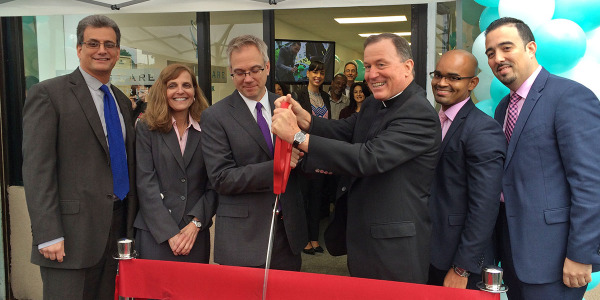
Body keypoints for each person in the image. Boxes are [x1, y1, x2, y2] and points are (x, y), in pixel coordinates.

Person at [272, 33, 441, 283]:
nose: (372, 74)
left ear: (408, 67)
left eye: (381, 64)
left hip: (394, 249)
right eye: (369, 66)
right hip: (364, 237)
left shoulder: (418, 112)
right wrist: (305, 119)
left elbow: (368, 158)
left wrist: (297, 137)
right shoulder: (375, 103)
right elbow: (347, 130)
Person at [22, 15, 137, 299]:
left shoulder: (121, 101)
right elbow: (38, 169)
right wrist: (48, 233)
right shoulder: (49, 94)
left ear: (117, 51)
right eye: (93, 43)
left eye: (109, 44)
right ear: (79, 49)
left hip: (116, 231)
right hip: (69, 237)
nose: (102, 50)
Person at [485, 17, 600, 299]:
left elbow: (590, 182)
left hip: (556, 260)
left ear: (531, 48)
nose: (497, 58)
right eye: (490, 53)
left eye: (506, 47)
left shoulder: (570, 96)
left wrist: (581, 254)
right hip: (513, 255)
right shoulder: (503, 107)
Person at [201, 35, 308, 271]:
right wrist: (280, 165)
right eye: (239, 72)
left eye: (255, 70)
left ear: (268, 67)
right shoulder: (215, 116)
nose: (247, 78)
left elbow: (306, 155)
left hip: (288, 232)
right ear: (231, 71)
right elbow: (221, 178)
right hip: (244, 238)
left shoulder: (288, 107)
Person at [427, 50, 506, 290]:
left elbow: (485, 205)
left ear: (472, 83)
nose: (442, 83)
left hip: (458, 261)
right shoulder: (431, 121)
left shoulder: (483, 129)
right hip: (426, 251)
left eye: (453, 77)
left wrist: (462, 267)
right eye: (438, 75)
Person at [134, 64, 217, 263]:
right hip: (156, 234)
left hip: (194, 235)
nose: (180, 91)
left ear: (195, 92)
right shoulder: (146, 128)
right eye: (172, 85)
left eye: (186, 85)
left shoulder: (210, 128)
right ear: (163, 91)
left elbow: (215, 183)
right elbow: (146, 183)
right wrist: (169, 232)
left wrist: (196, 223)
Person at [296, 60, 330, 255]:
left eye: (321, 73)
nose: (318, 76)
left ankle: (315, 238)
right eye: (314, 72)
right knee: (303, 199)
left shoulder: (325, 96)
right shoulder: (300, 96)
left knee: (318, 198)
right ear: (307, 74)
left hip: (322, 154)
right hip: (303, 155)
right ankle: (303, 240)